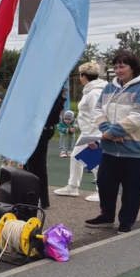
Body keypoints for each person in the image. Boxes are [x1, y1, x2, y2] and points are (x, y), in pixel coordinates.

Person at [85, 51, 140, 234]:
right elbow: (98, 110)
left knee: (132, 188)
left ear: (133, 67)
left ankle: (126, 221)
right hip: (110, 148)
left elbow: (138, 115)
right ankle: (106, 216)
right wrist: (107, 131)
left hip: (138, 149)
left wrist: (113, 132)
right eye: (115, 66)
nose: (118, 70)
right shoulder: (109, 88)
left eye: (122, 66)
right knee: (105, 183)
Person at [54, 62, 108, 201]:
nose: (79, 77)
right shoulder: (91, 90)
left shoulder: (94, 92)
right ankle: (72, 187)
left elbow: (97, 114)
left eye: (80, 75)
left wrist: (91, 137)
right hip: (88, 132)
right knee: (76, 157)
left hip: (93, 132)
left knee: (94, 161)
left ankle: (102, 191)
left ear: (83, 76)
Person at [24, 91, 64, 210]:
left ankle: (35, 198)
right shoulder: (51, 90)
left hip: (40, 127)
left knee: (36, 165)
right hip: (42, 127)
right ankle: (38, 198)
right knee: (33, 164)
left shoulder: (46, 90)